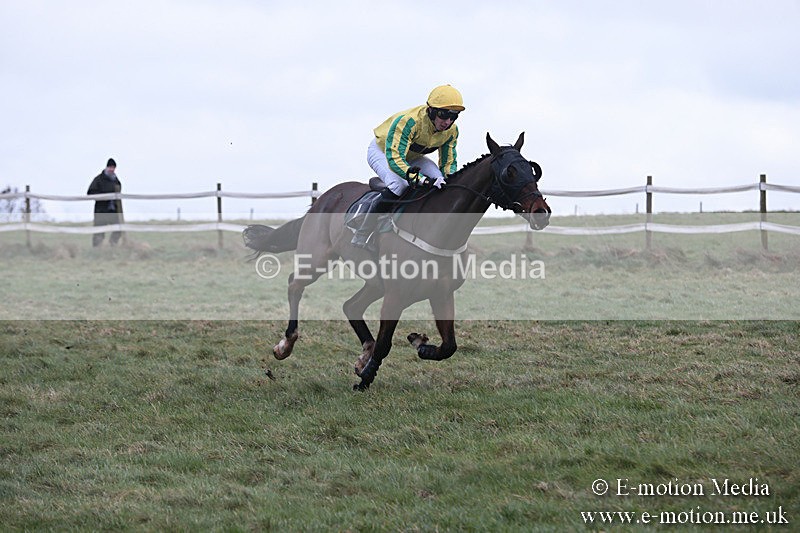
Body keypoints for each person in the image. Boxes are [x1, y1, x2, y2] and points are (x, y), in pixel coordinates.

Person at [351, 85, 465, 249]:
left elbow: (448, 162)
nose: (447, 122)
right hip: (383, 152)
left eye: (453, 116)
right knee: (400, 185)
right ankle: (363, 231)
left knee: (440, 181)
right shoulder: (409, 122)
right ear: (431, 111)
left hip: (413, 157)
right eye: (443, 115)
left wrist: (449, 180)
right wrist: (422, 181)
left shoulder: (452, 131)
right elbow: (395, 158)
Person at [87, 158, 123, 246]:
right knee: (99, 231)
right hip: (101, 210)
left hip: (112, 211)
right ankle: (97, 250)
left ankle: (112, 245)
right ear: (107, 167)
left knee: (118, 229)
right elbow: (90, 192)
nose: (112, 169)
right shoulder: (98, 179)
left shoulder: (116, 181)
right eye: (110, 167)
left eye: (113, 167)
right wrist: (104, 196)